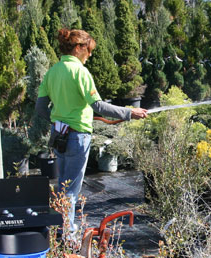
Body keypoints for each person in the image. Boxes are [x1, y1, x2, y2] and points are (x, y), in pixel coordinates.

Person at [35, 28, 147, 237]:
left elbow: (41, 108)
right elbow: (99, 106)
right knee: (72, 189)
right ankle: (67, 235)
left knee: (62, 184)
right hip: (78, 137)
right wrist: (130, 112)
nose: (90, 55)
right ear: (78, 48)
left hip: (59, 136)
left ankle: (61, 230)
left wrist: (60, 120)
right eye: (89, 50)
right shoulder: (80, 72)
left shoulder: (52, 72)